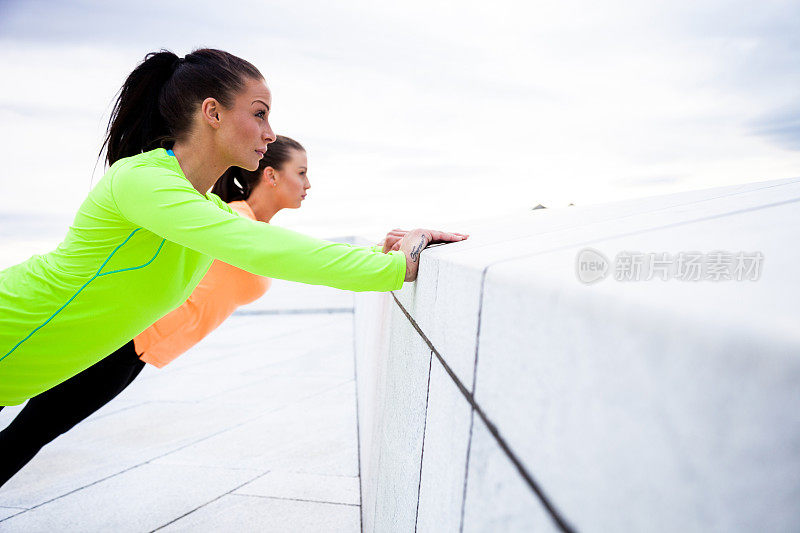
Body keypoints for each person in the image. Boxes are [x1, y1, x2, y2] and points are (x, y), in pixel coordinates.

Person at [0, 48, 467, 409]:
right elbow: (261, 246)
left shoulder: (202, 203)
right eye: (259, 113)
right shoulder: (142, 180)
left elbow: (267, 240)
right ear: (213, 113)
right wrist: (395, 271)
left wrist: (383, 257)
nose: (269, 133)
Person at [0, 135, 417, 487]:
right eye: (302, 171)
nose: (308, 183)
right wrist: (391, 267)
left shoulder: (245, 224)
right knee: (29, 434)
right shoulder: (232, 216)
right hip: (123, 343)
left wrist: (378, 254)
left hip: (137, 351)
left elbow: (295, 250)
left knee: (32, 432)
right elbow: (283, 254)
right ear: (270, 176)